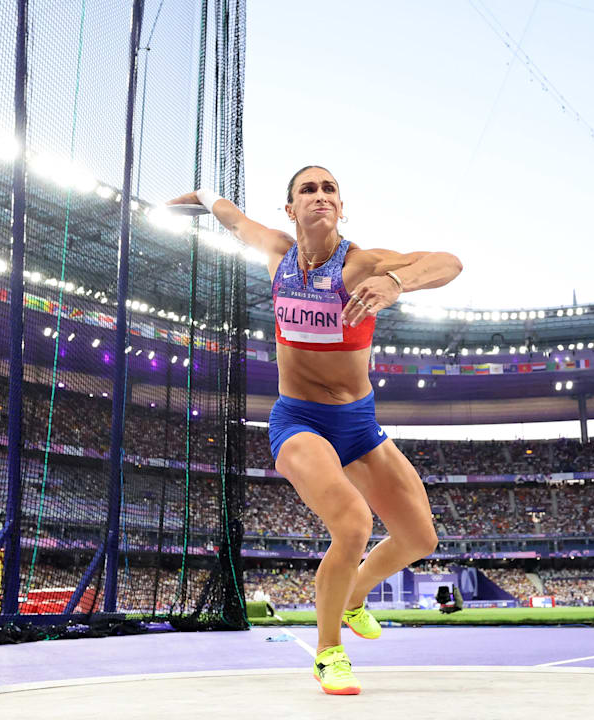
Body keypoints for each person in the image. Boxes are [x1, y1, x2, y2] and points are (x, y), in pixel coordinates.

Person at [169, 167, 463, 695]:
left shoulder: (362, 263)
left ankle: (353, 598)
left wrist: (396, 282)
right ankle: (329, 653)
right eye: (309, 189)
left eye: (330, 190)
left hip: (360, 423)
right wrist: (202, 195)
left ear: (342, 208)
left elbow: (448, 262)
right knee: (352, 522)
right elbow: (234, 221)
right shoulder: (279, 252)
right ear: (291, 209)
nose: (320, 196)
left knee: (420, 537)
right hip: (298, 419)